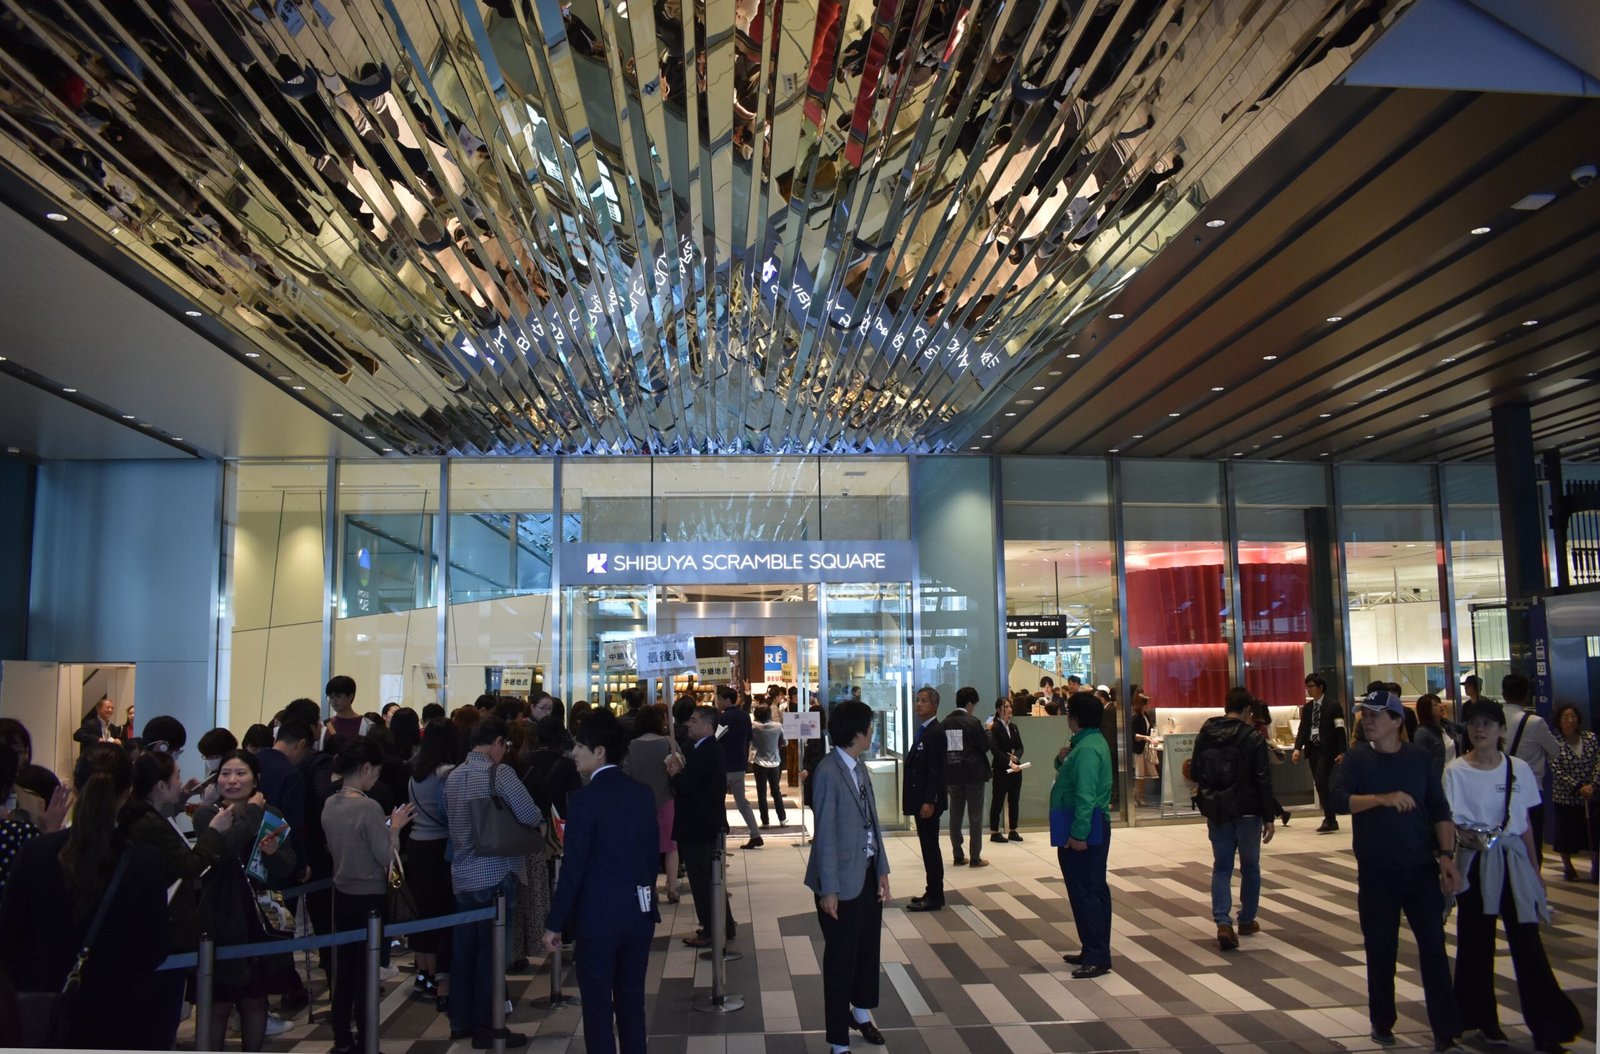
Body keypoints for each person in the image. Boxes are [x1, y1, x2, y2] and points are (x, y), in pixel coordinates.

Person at [0, 745, 169, 1050]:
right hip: (119, 1012)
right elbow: (154, 948)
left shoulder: (35, 853)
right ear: (127, 791)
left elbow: (11, 938)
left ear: (75, 788)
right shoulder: (144, 861)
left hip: (42, 1008)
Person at [1445, 699, 1581, 1053]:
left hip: (1513, 861)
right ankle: (1481, 1020)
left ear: (1501, 730)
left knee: (1528, 944)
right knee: (1476, 941)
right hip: (1474, 862)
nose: (1480, 730)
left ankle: (1547, 1028)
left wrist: (1535, 873)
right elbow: (1447, 823)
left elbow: (1525, 828)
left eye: (1488, 724)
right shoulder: (1455, 771)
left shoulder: (1518, 768)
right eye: (1473, 723)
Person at [1332, 690, 1461, 1052]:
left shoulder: (1418, 759)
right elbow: (1339, 800)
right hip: (1377, 873)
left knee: (1434, 948)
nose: (1367, 720)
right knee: (1380, 949)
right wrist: (1382, 798)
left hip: (1421, 870)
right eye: (1364, 714)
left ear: (1396, 721)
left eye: (1376, 714)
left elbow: (1439, 808)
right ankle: (1382, 1020)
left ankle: (1446, 1029)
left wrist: (1447, 856)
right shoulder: (1356, 759)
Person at [541, 710, 659, 1054]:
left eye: (580, 745)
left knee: (597, 1009)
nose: (574, 752)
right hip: (638, 915)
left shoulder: (583, 800)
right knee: (631, 1004)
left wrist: (554, 923)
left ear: (600, 752)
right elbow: (651, 859)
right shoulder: (641, 794)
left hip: (596, 920)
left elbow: (573, 868)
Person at [121, 749, 230, 1048]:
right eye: (176, 777)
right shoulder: (151, 826)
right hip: (163, 929)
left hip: (146, 929)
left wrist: (180, 799)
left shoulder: (139, 815)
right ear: (159, 786)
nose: (181, 781)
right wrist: (214, 832)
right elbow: (190, 866)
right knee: (160, 1016)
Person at [192, 749, 300, 1051]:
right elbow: (222, 850)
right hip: (220, 915)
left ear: (256, 780)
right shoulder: (206, 815)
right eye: (225, 773)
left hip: (260, 914)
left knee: (256, 1000)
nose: (232, 780)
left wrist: (273, 854)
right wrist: (252, 815)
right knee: (218, 1003)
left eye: (241, 774)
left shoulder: (273, 815)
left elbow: (287, 865)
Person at [444, 716, 541, 1048]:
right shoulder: (500, 773)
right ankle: (490, 1026)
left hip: (462, 875)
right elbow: (530, 814)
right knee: (492, 955)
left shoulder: (452, 776)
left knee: (464, 953)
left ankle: (461, 1022)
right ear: (497, 743)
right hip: (497, 873)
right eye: (505, 745)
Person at [805, 700, 890, 1054]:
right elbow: (824, 833)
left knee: (868, 950)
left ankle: (861, 1010)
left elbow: (873, 823)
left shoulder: (859, 766)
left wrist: (882, 868)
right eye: (869, 726)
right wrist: (829, 890)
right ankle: (838, 1039)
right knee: (840, 958)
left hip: (867, 874)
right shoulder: (827, 772)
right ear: (857, 732)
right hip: (839, 881)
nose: (872, 731)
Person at [324, 738, 414, 1054]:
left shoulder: (331, 803)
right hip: (369, 897)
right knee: (365, 973)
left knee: (344, 972)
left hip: (342, 892)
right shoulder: (368, 806)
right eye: (375, 771)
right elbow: (385, 855)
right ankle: (366, 1040)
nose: (376, 778)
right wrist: (395, 828)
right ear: (365, 768)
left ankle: (341, 1038)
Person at [1190, 687, 1277, 951]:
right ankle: (1247, 919)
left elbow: (1195, 770)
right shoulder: (1253, 737)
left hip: (1218, 809)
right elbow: (1263, 778)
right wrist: (1269, 816)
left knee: (1222, 867)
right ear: (1248, 709)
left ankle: (1222, 922)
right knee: (1250, 867)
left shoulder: (1207, 733)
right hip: (1248, 811)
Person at [1052, 692, 1113, 979]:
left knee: (1087, 892)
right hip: (1088, 824)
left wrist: (1078, 834)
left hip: (1085, 827)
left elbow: (1085, 796)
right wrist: (1061, 759)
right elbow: (1073, 779)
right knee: (1090, 889)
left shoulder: (1087, 749)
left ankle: (1098, 955)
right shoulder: (1088, 743)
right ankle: (1091, 948)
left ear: (1074, 717)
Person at [666, 706, 737, 948]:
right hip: (703, 823)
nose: (689, 724)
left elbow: (687, 786)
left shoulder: (706, 751)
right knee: (711, 878)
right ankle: (723, 925)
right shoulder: (705, 749)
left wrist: (676, 774)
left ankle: (711, 928)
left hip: (699, 825)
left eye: (694, 721)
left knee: (703, 880)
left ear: (708, 727)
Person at [407, 719, 459, 1007]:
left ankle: (423, 973)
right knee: (443, 913)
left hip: (416, 845)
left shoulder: (415, 773)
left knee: (422, 911)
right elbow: (450, 812)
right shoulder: (447, 774)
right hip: (440, 846)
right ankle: (443, 978)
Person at [621, 704, 683, 904]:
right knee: (670, 847)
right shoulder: (668, 743)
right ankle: (672, 887)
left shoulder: (631, 746)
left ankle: (650, 888)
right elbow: (682, 766)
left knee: (645, 848)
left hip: (640, 805)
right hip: (666, 800)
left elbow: (626, 775)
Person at [1498, 674, 1559, 864]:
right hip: (1530, 790)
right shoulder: (1534, 722)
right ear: (1526, 695)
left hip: (1498, 788)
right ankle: (1531, 885)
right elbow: (1555, 750)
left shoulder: (1494, 719)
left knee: (1503, 841)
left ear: (1503, 693)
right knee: (1531, 841)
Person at [903, 687, 947, 912]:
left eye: (923, 701)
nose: (918, 704)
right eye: (917, 700)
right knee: (928, 847)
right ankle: (932, 891)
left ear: (934, 705)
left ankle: (935, 895)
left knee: (931, 848)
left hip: (928, 802)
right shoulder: (924, 730)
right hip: (922, 800)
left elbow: (936, 771)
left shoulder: (935, 732)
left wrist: (929, 800)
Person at [942, 685, 992, 867]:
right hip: (973, 774)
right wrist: (988, 731)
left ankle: (957, 854)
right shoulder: (973, 722)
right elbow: (985, 747)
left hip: (953, 774)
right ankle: (975, 857)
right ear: (970, 703)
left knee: (955, 814)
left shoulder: (945, 722)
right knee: (975, 816)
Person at [1549, 703, 1599, 882]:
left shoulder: (1590, 738)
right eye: (1565, 717)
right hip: (1566, 795)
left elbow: (1597, 762)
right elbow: (1556, 769)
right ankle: (1568, 867)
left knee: (1593, 832)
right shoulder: (1555, 743)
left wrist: (1592, 785)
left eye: (1573, 716)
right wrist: (1578, 787)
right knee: (1566, 832)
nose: (1570, 720)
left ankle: (1596, 866)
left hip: (1591, 793)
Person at [1293, 673, 1347, 833]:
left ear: (1320, 687)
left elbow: (1339, 729)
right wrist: (1297, 748)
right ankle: (1330, 818)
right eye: (1307, 686)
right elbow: (1303, 729)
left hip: (1328, 750)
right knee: (1319, 782)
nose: (1308, 690)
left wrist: (1343, 751)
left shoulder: (1333, 705)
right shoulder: (1309, 708)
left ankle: (1330, 818)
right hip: (1313, 749)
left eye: (1311, 686)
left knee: (1321, 781)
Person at [715, 685, 762, 847]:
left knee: (718, 802)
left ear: (727, 700)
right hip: (739, 763)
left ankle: (720, 835)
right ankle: (755, 834)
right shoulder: (744, 716)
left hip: (723, 765)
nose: (718, 701)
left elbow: (715, 739)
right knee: (742, 801)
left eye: (720, 699)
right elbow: (749, 737)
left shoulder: (723, 718)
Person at [988, 697, 1024, 843]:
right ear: (998, 709)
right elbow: (995, 750)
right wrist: (1009, 761)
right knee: (998, 799)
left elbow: (1020, 746)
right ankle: (994, 831)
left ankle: (1013, 830)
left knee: (1014, 800)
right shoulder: (994, 727)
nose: (1009, 709)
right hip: (1001, 768)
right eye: (1006, 707)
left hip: (1016, 768)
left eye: (1010, 706)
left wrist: (1016, 756)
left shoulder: (1013, 726)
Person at [751, 704, 788, 827]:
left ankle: (765, 821)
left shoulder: (754, 727)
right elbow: (785, 742)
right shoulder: (778, 727)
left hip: (759, 762)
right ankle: (782, 819)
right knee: (776, 791)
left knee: (761, 793)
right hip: (775, 762)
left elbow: (751, 742)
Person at [1130, 687, 1158, 807]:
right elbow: (1132, 734)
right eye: (1146, 704)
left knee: (1143, 775)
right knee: (1139, 775)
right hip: (1138, 749)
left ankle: (1140, 796)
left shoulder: (1146, 716)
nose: (1148, 706)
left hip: (1144, 748)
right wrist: (1145, 737)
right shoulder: (1135, 717)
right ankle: (1136, 797)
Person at [326, 675, 370, 742]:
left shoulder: (366, 725)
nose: (333, 701)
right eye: (331, 697)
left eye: (338, 696)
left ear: (350, 696)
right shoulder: (325, 726)